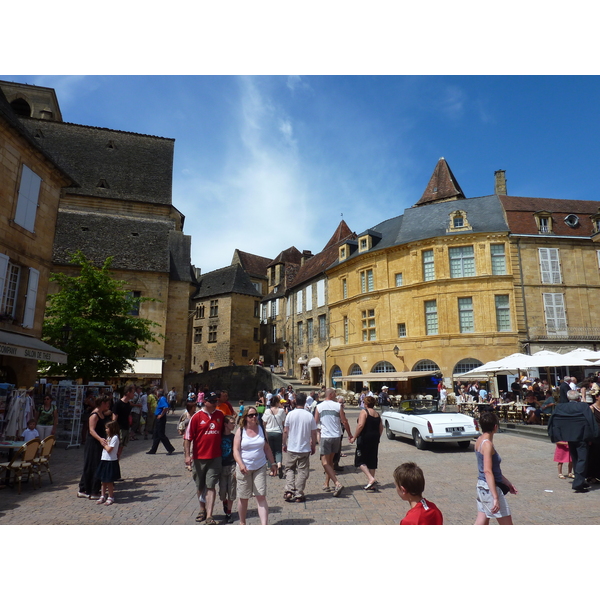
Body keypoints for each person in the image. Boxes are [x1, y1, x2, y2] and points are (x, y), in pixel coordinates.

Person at [184, 391, 224, 525]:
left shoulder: (220, 415)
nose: (215, 404)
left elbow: (226, 431)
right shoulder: (196, 417)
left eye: (216, 401)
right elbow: (188, 438)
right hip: (199, 456)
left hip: (215, 456)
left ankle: (209, 515)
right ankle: (202, 509)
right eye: (212, 401)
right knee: (200, 485)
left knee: (211, 485)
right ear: (205, 402)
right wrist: (187, 456)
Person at [548, 389, 599, 492]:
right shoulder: (583, 406)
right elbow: (590, 421)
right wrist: (594, 435)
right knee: (582, 459)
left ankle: (579, 479)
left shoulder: (561, 407)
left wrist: (556, 434)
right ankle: (578, 483)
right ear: (578, 397)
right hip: (581, 436)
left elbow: (553, 420)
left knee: (575, 459)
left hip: (569, 436)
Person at [233, 406, 278, 524]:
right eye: (251, 415)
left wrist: (273, 463)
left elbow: (267, 448)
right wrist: (241, 464)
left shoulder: (262, 429)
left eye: (255, 414)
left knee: (261, 496)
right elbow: (236, 450)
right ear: (245, 418)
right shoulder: (241, 431)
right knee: (243, 497)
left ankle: (264, 524)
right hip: (244, 468)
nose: (254, 417)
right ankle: (242, 522)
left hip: (260, 466)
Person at [475, 411, 517, 525]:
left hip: (481, 485)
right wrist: (495, 497)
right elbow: (488, 471)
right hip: (489, 487)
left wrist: (507, 482)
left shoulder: (479, 440)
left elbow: (492, 469)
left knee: (481, 521)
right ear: (495, 427)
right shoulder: (487, 444)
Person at [315, 387, 353, 497]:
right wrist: (350, 434)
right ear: (331, 394)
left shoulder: (319, 406)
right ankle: (326, 483)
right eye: (335, 393)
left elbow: (315, 422)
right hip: (336, 436)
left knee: (324, 462)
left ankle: (337, 483)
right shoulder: (338, 406)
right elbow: (344, 421)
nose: (336, 395)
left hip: (326, 436)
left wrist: (313, 437)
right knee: (330, 462)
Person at [282, 392, 317, 503]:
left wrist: (284, 443)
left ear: (295, 401)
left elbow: (285, 431)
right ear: (305, 401)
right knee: (302, 471)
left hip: (292, 447)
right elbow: (313, 433)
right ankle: (299, 493)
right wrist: (313, 445)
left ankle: (289, 490)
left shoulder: (290, 414)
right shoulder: (309, 415)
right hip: (304, 447)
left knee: (289, 469)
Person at [78, 396, 111, 500]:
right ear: (102, 403)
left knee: (96, 465)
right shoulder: (94, 414)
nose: (108, 405)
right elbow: (91, 430)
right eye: (106, 403)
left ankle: (89, 488)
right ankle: (90, 490)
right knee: (92, 465)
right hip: (93, 443)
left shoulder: (102, 413)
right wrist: (100, 439)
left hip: (99, 443)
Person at [352, 393, 383, 490]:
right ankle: (372, 483)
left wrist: (354, 437)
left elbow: (360, 425)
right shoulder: (377, 414)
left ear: (365, 404)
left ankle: (370, 478)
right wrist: (377, 436)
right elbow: (381, 427)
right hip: (375, 438)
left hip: (365, 438)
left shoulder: (364, 412)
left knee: (360, 460)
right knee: (372, 459)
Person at [95, 420, 121, 506]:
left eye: (107, 428)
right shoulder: (109, 437)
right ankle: (103, 495)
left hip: (110, 461)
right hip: (104, 459)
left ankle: (111, 496)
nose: (105, 430)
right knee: (103, 480)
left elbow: (109, 449)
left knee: (109, 480)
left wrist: (103, 444)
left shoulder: (115, 438)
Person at [262, 395, 286, 478]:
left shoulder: (267, 411)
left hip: (269, 432)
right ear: (276, 402)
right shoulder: (281, 411)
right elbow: (283, 422)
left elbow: (264, 423)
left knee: (270, 450)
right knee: (278, 451)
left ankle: (272, 470)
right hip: (278, 432)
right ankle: (279, 465)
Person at [146, 388, 176, 455]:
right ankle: (153, 450)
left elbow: (166, 407)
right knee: (156, 434)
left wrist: (161, 415)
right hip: (158, 417)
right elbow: (168, 406)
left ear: (158, 394)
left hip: (160, 418)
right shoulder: (161, 399)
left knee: (161, 434)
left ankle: (170, 448)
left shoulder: (162, 399)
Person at [219, 415, 236, 522]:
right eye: (231, 423)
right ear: (225, 424)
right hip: (221, 466)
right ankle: (224, 502)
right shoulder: (219, 437)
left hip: (232, 465)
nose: (234, 425)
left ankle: (229, 512)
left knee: (232, 490)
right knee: (222, 491)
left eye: (234, 423)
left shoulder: (234, 437)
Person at [112, 385, 134, 459]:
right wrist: (113, 429)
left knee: (122, 447)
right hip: (119, 428)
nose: (133, 395)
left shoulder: (128, 404)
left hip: (126, 427)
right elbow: (114, 417)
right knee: (117, 447)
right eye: (132, 393)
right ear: (128, 393)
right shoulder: (118, 403)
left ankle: (117, 462)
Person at [178, 400, 198, 469]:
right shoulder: (185, 415)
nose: (195, 408)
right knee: (186, 448)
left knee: (193, 448)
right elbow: (180, 423)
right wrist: (179, 430)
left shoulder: (196, 415)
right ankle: (188, 462)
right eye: (194, 407)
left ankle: (192, 463)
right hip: (186, 433)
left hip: (194, 434)